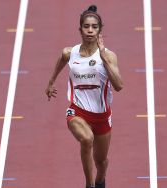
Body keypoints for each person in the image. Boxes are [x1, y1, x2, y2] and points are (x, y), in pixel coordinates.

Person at [45, 5, 123, 188]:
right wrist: (51, 82)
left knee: (101, 163)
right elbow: (62, 60)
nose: (90, 30)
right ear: (80, 29)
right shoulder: (69, 53)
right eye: (86, 26)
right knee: (86, 139)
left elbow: (119, 86)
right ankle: (89, 185)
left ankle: (100, 181)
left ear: (100, 30)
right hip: (77, 111)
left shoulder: (109, 56)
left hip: (102, 115)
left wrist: (103, 59)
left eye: (94, 27)